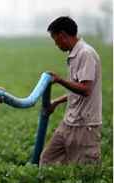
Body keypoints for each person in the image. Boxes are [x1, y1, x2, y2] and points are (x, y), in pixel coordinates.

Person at [40, 16, 102, 165]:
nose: (56, 45)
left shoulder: (85, 54)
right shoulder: (74, 54)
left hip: (84, 125)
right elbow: (77, 90)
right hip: (69, 122)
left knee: (83, 171)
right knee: (47, 159)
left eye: (55, 40)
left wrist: (60, 80)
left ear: (62, 35)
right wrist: (56, 102)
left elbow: (86, 89)